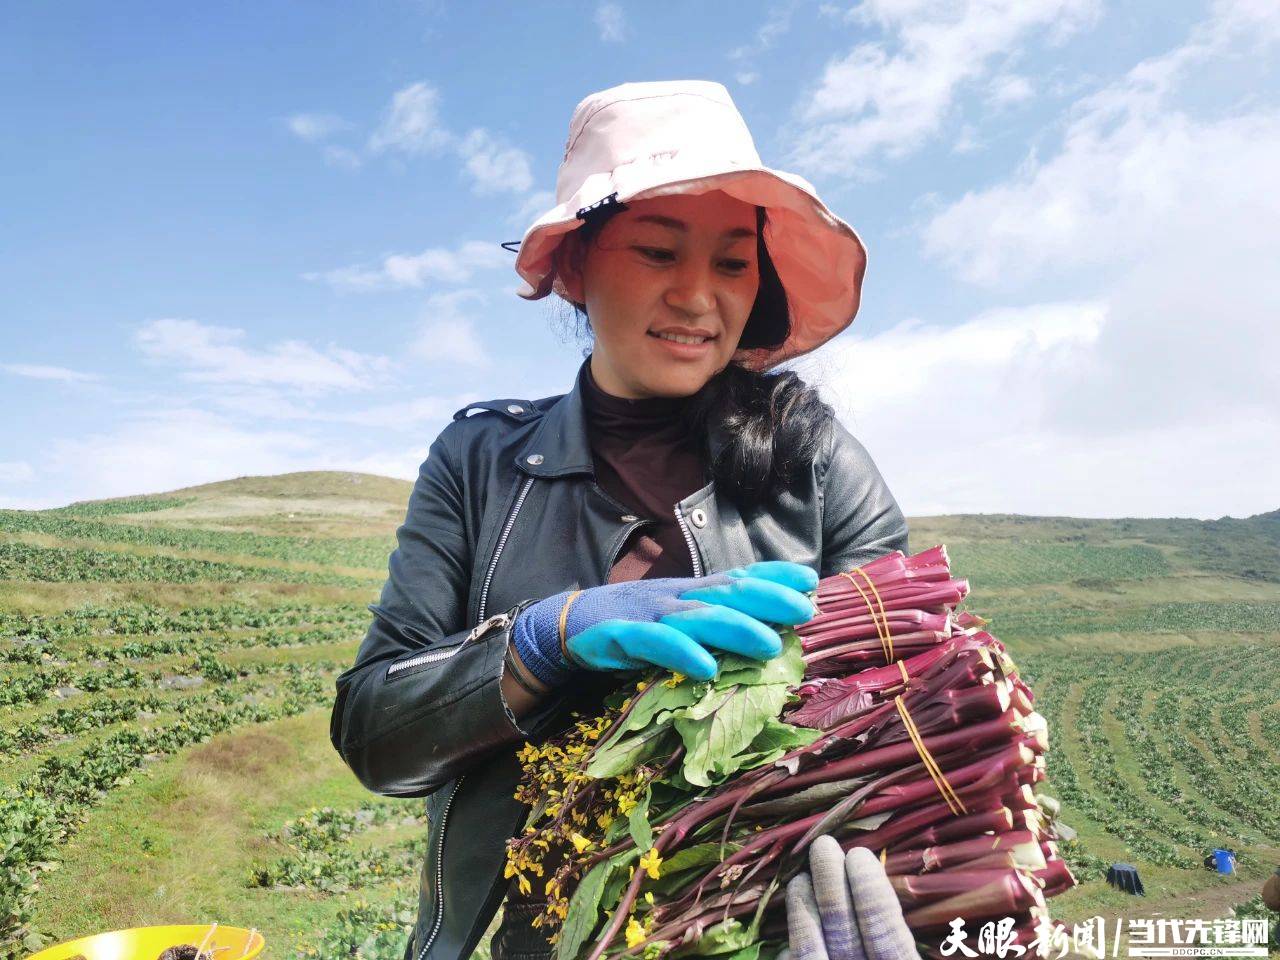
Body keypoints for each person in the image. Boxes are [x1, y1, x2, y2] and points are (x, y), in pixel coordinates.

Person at [329, 79, 912, 960]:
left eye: (731, 262)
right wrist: (537, 644)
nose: (696, 297)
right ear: (576, 267)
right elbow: (375, 734)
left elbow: (902, 708)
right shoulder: (481, 463)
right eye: (655, 252)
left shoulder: (817, 462)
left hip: (758, 925)